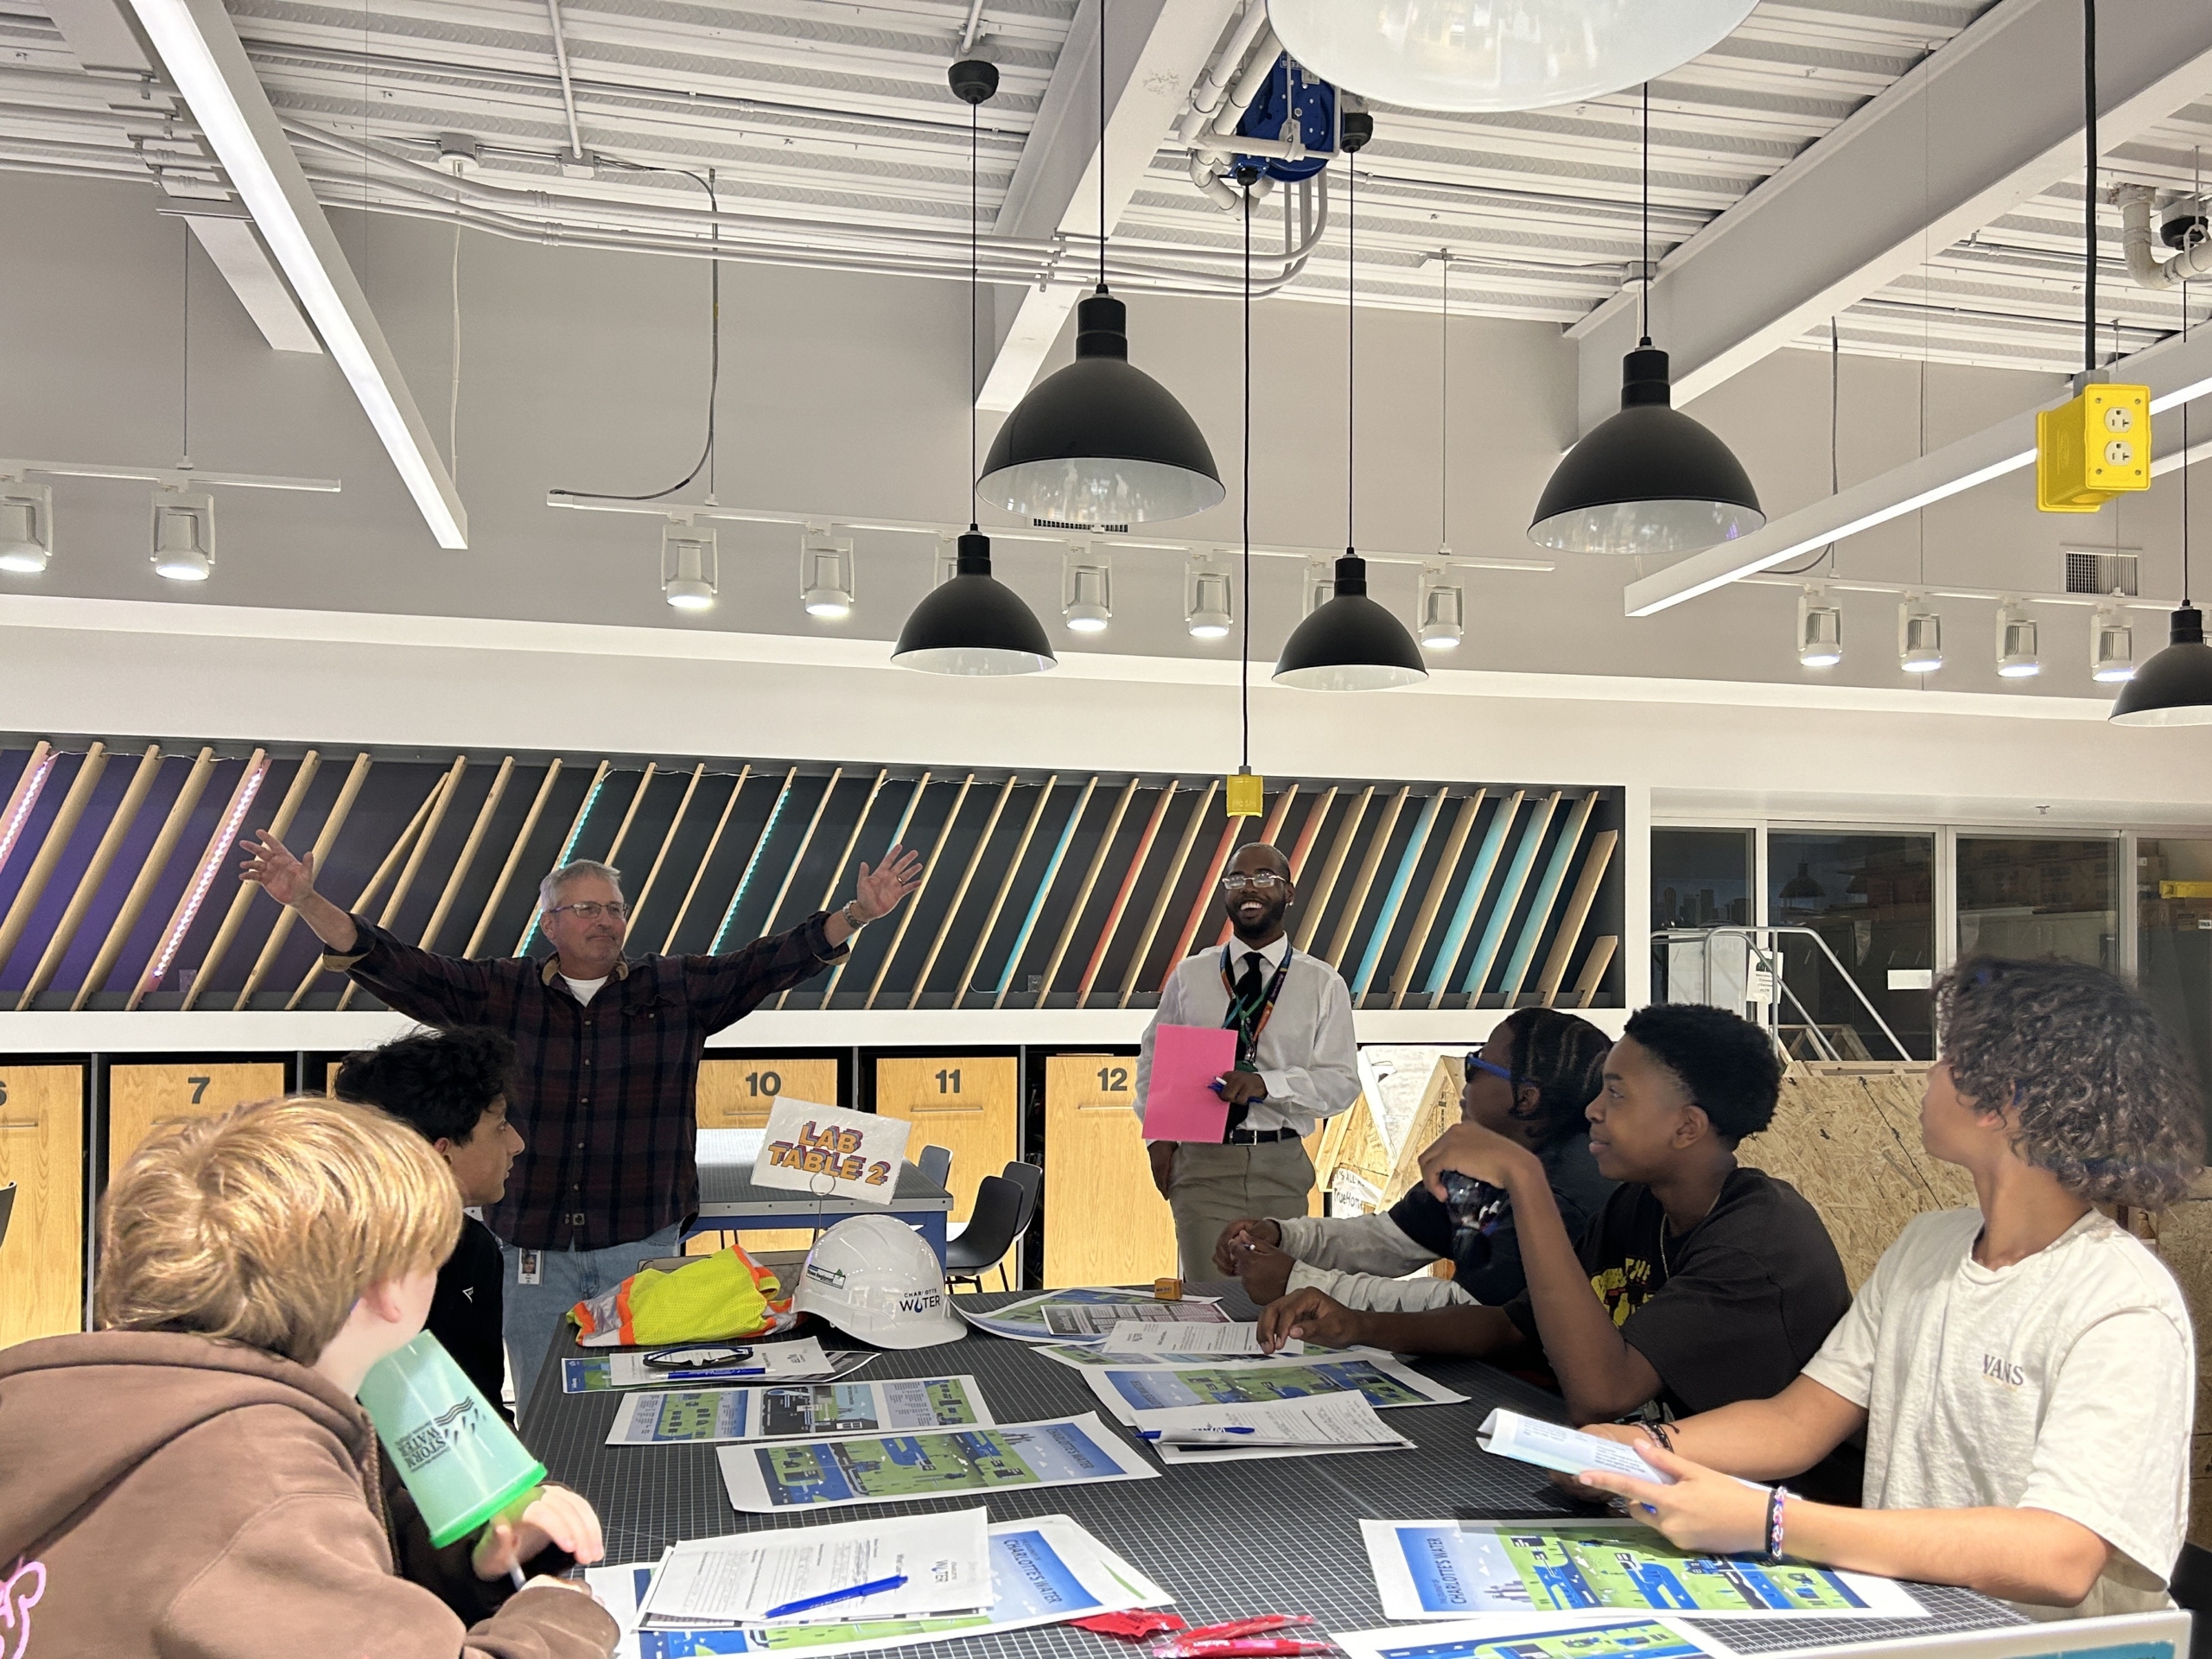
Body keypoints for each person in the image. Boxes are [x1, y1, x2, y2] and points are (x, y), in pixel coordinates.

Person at [1570, 957, 2205, 1620]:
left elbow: (2059, 1556)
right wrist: (1642, 1452)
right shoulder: (1926, 1248)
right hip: (1914, 1625)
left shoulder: (2120, 1302)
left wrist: (1772, 1522)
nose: (1929, 1074)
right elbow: (1796, 1422)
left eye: (1948, 1057)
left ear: (2003, 1099)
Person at [237, 837, 923, 1407]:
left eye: (615, 909)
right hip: (531, 1247)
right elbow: (392, 963)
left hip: (638, 1242)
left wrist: (856, 916)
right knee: (545, 1402)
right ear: (549, 923)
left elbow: (771, 961)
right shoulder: (499, 993)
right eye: (587, 908)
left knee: (650, 1399)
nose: (606, 921)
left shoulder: (674, 990)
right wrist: (304, 901)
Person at [0, 1094, 618, 1659]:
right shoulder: (263, 1472)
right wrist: (551, 1625)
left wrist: (470, 1564)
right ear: (386, 1289)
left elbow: (264, 1591)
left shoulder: (108, 1414)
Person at [1258, 1002, 1857, 1497]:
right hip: (1656, 1483)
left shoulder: (1756, 1240)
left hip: (1775, 1514)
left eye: (1617, 1096)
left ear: (1686, 1128)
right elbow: (1510, 1325)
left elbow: (1604, 1391)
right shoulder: (1641, 1204)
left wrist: (1524, 1180)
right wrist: (1355, 1323)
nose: (1593, 1110)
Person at [1212, 1007, 1615, 1309]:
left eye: (1475, 1065)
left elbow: (1474, 1310)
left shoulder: (1565, 1194)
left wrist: (1298, 1283)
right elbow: (1390, 1241)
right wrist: (1286, 1237)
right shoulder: (1479, 1165)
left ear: (1526, 1098)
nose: (1463, 1077)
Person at [1134, 842, 1360, 1279]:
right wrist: (1157, 1139)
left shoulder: (1322, 983)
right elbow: (1152, 1060)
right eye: (1236, 880)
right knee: (1209, 1302)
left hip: (1281, 1165)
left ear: (1289, 893)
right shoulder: (1193, 975)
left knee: (1279, 1303)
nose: (1248, 889)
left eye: (1264, 878)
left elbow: (1340, 1084)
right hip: (1203, 1166)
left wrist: (1267, 1084)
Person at [335, 1027, 525, 1421]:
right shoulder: (339, 1266)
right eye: (500, 1127)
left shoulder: (475, 1249)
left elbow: (483, 1407)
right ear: (443, 1153)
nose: (517, 1144)